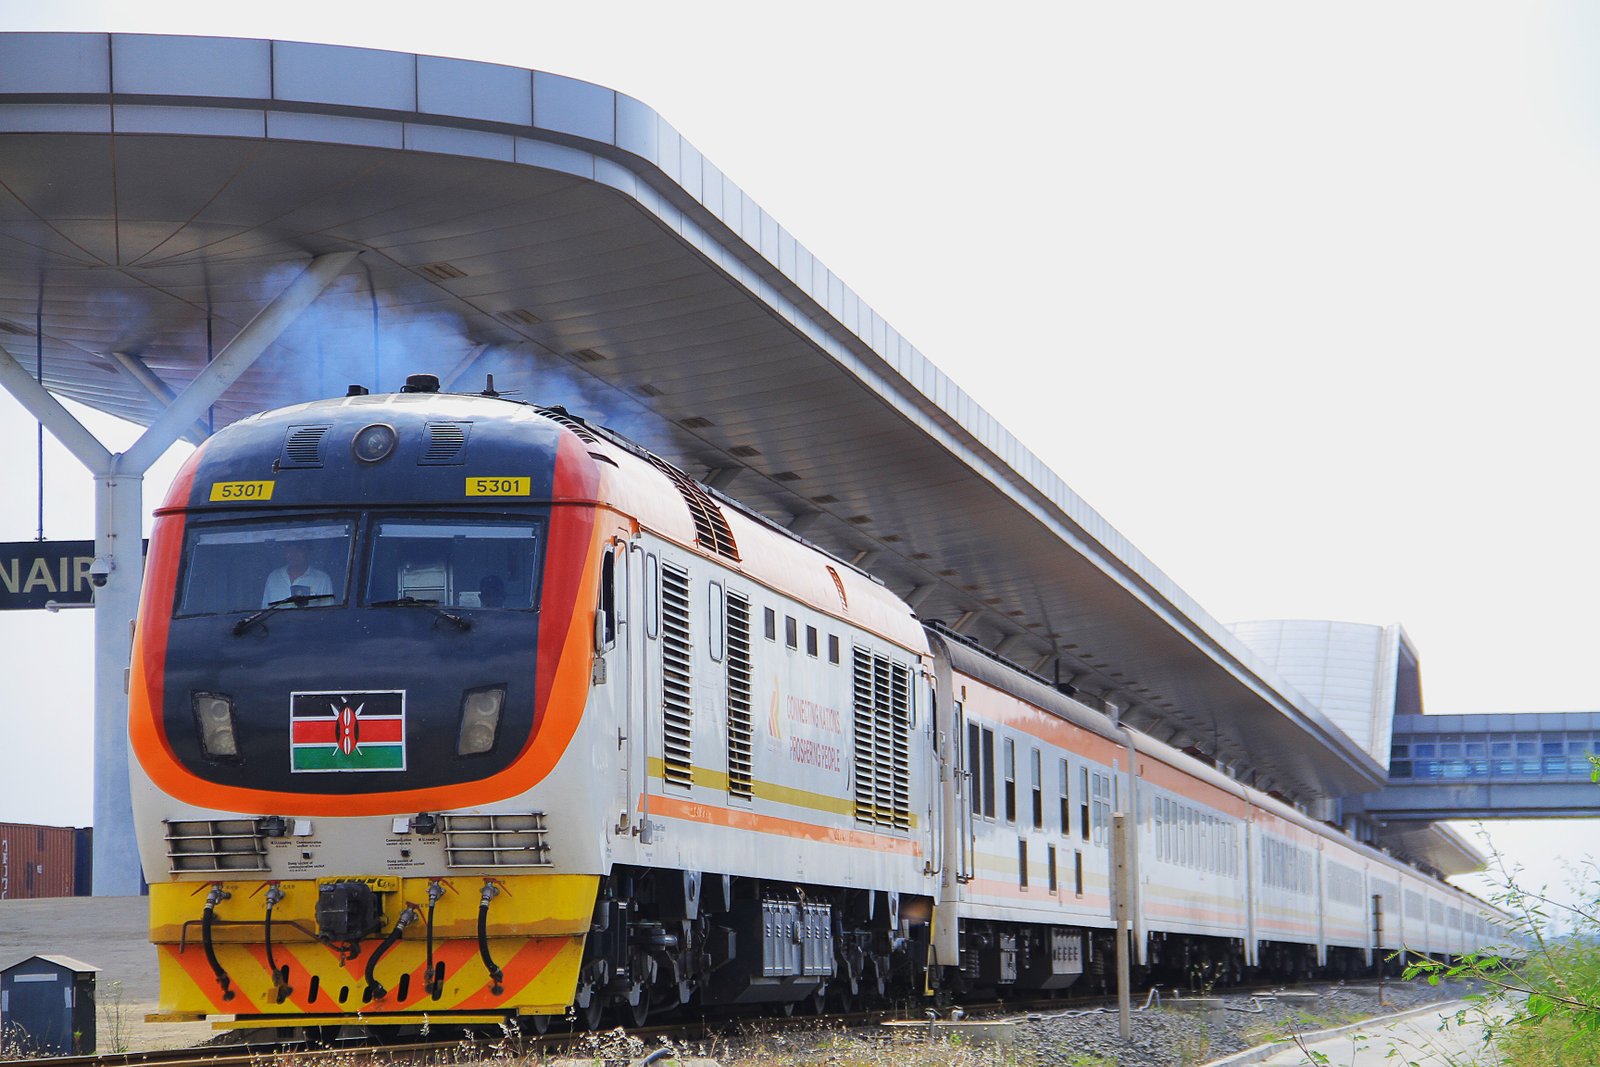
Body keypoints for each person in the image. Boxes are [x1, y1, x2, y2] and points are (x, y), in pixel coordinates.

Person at [261, 542, 334, 606]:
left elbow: (328, 613)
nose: (293, 554)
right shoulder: (274, 577)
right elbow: (265, 610)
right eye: (290, 549)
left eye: (299, 549)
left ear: (308, 551)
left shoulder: (322, 580)